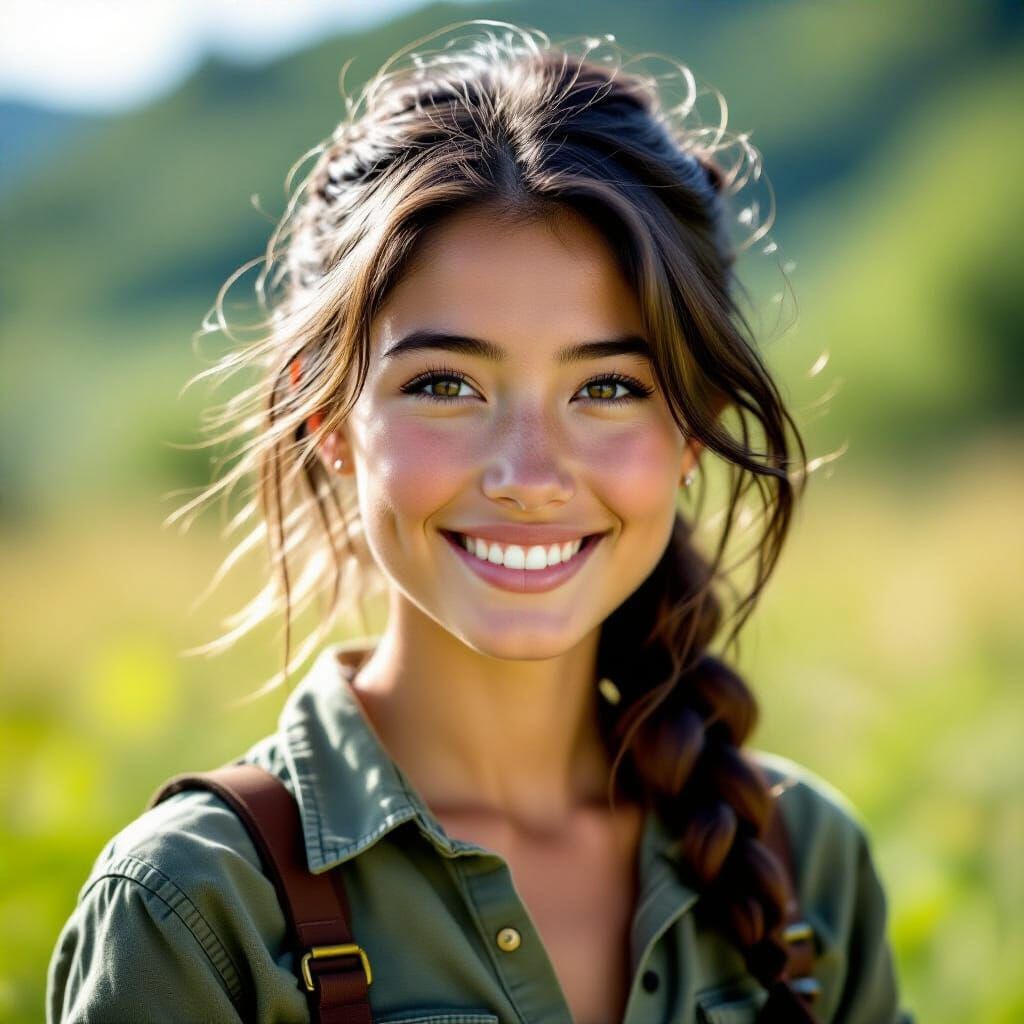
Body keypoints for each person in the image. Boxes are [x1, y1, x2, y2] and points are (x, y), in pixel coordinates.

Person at [47, 21, 913, 1024]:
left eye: (608, 388)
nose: (528, 477)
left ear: (691, 430)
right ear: (326, 420)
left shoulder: (804, 863)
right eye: (446, 384)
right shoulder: (196, 908)